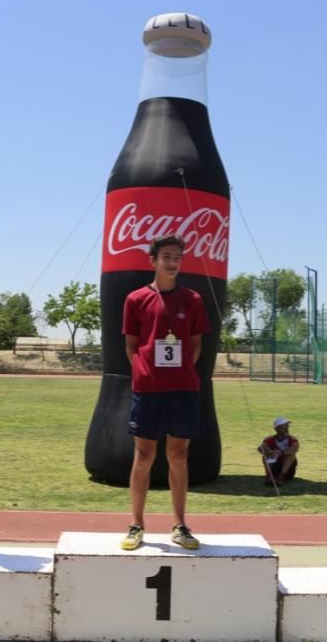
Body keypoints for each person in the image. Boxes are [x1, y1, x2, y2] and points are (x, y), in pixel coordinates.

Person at [120, 234, 209, 551]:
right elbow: (131, 346)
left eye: (177, 257)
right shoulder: (136, 299)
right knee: (144, 456)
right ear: (153, 260)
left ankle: (180, 524)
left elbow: (196, 345)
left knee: (179, 456)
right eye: (167, 257)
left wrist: (179, 370)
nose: (172, 263)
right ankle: (136, 524)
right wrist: (146, 370)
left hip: (183, 389)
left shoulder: (193, 300)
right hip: (148, 389)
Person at [258, 416, 299, 485]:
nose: (286, 428)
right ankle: (269, 476)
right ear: (277, 428)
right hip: (274, 468)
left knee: (291, 455)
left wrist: (281, 453)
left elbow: (294, 449)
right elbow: (260, 448)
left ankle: (281, 477)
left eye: (287, 426)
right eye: (284, 426)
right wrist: (271, 452)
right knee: (265, 454)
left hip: (288, 471)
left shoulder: (292, 439)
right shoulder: (269, 439)